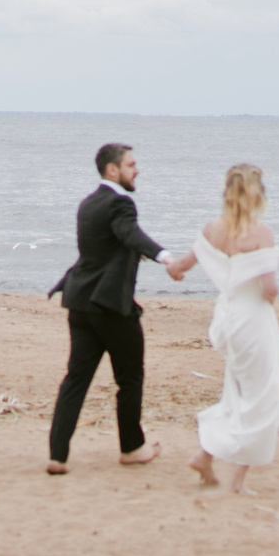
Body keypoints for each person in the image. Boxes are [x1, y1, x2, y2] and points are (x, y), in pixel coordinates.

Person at [44, 142, 188, 474]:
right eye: (131, 164)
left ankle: (57, 455)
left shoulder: (87, 204)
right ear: (113, 170)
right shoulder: (121, 204)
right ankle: (132, 449)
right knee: (130, 377)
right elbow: (130, 233)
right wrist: (167, 258)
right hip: (110, 306)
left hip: (80, 302)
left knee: (76, 379)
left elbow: (106, 248)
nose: (137, 170)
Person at [160, 162, 279, 495]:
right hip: (252, 321)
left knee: (239, 393)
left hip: (226, 319)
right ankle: (237, 481)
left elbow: (182, 267)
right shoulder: (261, 234)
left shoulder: (213, 230)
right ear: (257, 194)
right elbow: (269, 289)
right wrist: (266, 298)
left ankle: (205, 456)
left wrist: (169, 266)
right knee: (263, 397)